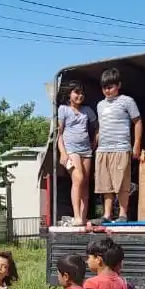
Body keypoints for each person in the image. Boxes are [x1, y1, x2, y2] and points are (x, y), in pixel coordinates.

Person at [95, 68, 143, 221]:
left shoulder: (127, 101)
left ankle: (123, 214)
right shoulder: (100, 105)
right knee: (105, 184)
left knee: (122, 182)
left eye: (110, 87)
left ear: (118, 85)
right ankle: (107, 215)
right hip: (103, 149)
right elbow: (100, 126)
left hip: (121, 147)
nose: (107, 90)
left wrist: (136, 144)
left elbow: (138, 122)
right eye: (104, 87)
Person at [57, 80, 97, 226]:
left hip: (86, 150)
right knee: (78, 179)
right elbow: (59, 134)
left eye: (82, 93)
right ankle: (76, 216)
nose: (79, 96)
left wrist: (95, 141)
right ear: (69, 94)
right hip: (71, 150)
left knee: (85, 183)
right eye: (76, 92)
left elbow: (97, 127)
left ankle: (83, 216)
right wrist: (63, 152)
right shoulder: (63, 109)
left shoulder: (87, 111)